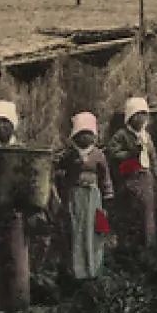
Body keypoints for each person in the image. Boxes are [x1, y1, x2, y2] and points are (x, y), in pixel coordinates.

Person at [0, 100, 50, 313]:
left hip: (16, 213)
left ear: (13, 124)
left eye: (5, 122)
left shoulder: (22, 151)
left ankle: (19, 306)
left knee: (17, 258)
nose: (0, 126)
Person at [54, 112, 113, 282]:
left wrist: (107, 196)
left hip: (93, 197)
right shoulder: (69, 154)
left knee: (93, 231)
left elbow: (105, 177)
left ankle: (93, 269)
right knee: (76, 230)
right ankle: (76, 270)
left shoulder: (98, 155)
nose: (85, 138)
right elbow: (57, 172)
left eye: (89, 134)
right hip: (75, 196)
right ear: (75, 136)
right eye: (82, 134)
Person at [105, 97, 157, 250]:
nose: (141, 118)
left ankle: (148, 245)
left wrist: (156, 171)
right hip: (130, 176)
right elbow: (112, 152)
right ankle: (130, 246)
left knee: (148, 210)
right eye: (138, 114)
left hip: (146, 175)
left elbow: (152, 154)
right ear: (130, 117)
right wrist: (129, 154)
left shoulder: (146, 136)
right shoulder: (122, 135)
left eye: (144, 114)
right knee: (132, 210)